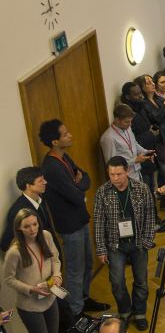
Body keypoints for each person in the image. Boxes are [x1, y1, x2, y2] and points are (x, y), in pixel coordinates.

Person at [39, 119, 108, 321]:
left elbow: (85, 177)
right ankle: (76, 311)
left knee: (87, 263)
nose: (70, 135)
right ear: (54, 141)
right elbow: (77, 195)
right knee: (75, 269)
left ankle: (84, 298)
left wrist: (79, 183)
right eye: (65, 134)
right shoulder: (51, 167)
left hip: (80, 219)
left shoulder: (64, 156)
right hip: (69, 226)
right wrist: (78, 185)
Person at [2, 208, 62, 333]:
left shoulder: (45, 236)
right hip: (29, 306)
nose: (32, 229)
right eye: (26, 226)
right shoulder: (15, 251)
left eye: (34, 224)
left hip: (50, 297)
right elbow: (8, 279)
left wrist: (57, 275)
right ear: (19, 228)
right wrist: (31, 289)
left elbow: (55, 258)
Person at [93, 157, 157, 330]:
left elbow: (151, 217)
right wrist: (100, 248)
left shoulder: (142, 189)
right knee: (117, 282)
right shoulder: (102, 192)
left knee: (141, 281)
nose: (115, 178)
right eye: (111, 174)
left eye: (119, 174)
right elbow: (98, 222)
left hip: (138, 243)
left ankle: (140, 313)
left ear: (127, 171)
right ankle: (125, 312)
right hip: (115, 245)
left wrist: (146, 240)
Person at [1, 166, 54, 250]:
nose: (45, 182)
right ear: (29, 186)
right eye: (41, 180)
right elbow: (5, 244)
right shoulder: (18, 211)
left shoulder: (40, 198)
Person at [99, 104, 153, 182]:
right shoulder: (108, 138)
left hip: (136, 173)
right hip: (124, 179)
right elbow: (112, 165)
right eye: (127, 122)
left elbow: (134, 144)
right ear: (117, 120)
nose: (130, 124)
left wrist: (145, 152)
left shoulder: (127, 128)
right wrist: (134, 160)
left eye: (131, 121)